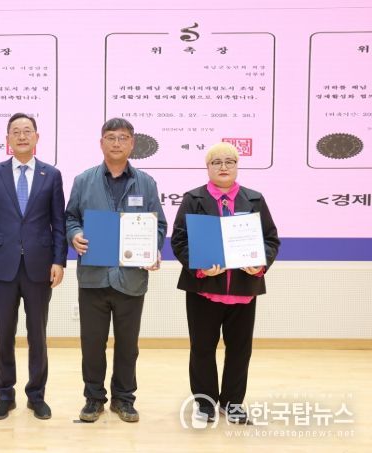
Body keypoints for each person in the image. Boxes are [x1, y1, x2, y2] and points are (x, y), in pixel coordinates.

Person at [65, 117, 167, 423]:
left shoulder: (146, 183)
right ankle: (94, 398)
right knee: (92, 344)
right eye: (111, 137)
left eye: (123, 138)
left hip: (131, 278)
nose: (117, 143)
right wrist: (74, 235)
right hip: (93, 277)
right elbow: (70, 218)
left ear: (132, 143)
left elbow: (158, 224)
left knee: (128, 346)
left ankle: (124, 399)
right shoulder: (84, 180)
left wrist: (152, 248)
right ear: (101, 143)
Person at [170, 142, 280, 425]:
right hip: (204, 289)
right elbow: (179, 240)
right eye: (216, 162)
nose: (223, 167)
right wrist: (199, 267)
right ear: (207, 167)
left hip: (243, 289)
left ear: (237, 166)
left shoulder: (254, 199)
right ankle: (205, 403)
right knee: (202, 348)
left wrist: (260, 264)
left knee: (240, 350)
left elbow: (270, 239)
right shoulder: (193, 198)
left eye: (229, 161)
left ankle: (232, 403)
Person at [0, 112, 67, 420]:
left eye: (27, 130)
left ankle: (36, 395)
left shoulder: (51, 175)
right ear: (7, 139)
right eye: (15, 131)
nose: (21, 136)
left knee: (37, 335)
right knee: (4, 334)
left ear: (37, 137)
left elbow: (59, 222)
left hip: (39, 266)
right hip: (2, 266)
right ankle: (5, 395)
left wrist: (59, 261)